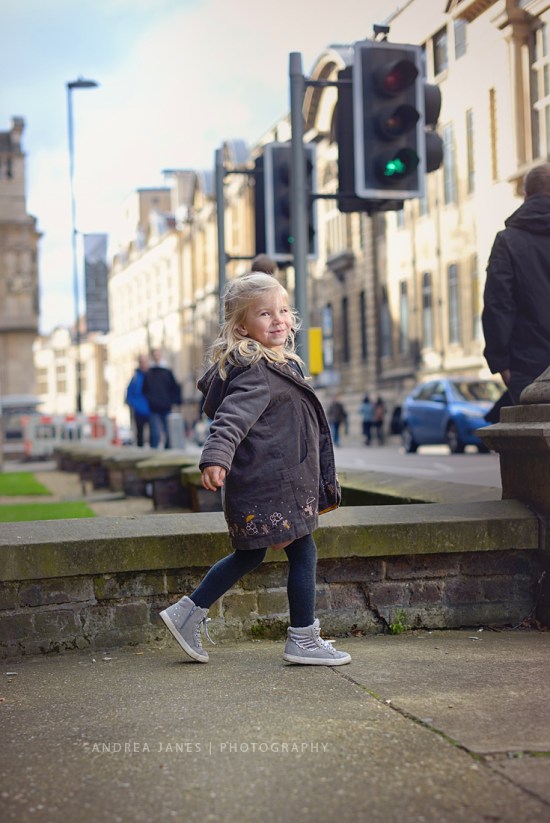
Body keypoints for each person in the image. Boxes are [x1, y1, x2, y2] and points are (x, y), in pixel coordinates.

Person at [159, 272, 350, 666]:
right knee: (303, 552)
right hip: (273, 485)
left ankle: (187, 612)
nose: (279, 319)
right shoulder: (256, 371)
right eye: (265, 313)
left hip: (275, 483)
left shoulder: (275, 364)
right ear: (242, 327)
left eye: (283, 310)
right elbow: (230, 419)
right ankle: (303, 639)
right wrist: (215, 457)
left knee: (250, 555)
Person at [482, 163, 550, 404]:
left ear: (526, 195)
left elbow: (497, 304)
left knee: (530, 438)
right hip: (525, 364)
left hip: (527, 365)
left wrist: (500, 362)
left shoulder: (508, 241)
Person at [142, 348, 182, 449]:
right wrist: (150, 400)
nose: (157, 357)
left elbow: (175, 388)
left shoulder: (167, 372)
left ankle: (168, 451)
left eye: (158, 354)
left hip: (166, 407)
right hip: (154, 407)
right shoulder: (149, 373)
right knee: (155, 434)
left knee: (168, 432)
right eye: (155, 355)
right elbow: (144, 390)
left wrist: (174, 402)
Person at [125, 354, 150, 447]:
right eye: (142, 362)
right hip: (139, 410)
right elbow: (129, 394)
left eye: (145, 362)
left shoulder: (152, 375)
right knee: (139, 435)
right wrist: (135, 404)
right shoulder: (135, 377)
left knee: (154, 436)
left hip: (151, 408)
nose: (144, 364)